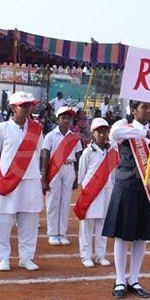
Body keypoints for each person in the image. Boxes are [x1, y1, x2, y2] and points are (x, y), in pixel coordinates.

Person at [103, 101, 150, 298]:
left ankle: (134, 279)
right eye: (144, 107)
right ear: (133, 110)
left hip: (146, 188)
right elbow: (115, 135)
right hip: (126, 186)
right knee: (123, 234)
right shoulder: (125, 128)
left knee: (141, 235)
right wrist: (145, 134)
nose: (148, 111)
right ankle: (120, 279)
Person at [0, 92, 44, 272]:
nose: (28, 108)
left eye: (30, 105)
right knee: (5, 220)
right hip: (9, 180)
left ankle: (26, 257)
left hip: (30, 180)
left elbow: (39, 152)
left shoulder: (36, 128)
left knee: (29, 221)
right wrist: (4, 175)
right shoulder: (3, 128)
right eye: (24, 105)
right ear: (13, 108)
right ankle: (4, 257)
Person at [75, 117, 115, 268]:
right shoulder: (87, 152)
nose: (102, 135)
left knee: (103, 223)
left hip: (106, 191)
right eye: (99, 132)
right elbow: (82, 174)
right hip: (91, 192)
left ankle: (100, 254)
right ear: (93, 133)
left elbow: (113, 172)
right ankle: (85, 255)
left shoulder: (112, 151)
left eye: (105, 131)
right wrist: (85, 191)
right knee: (87, 225)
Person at [42, 105, 82, 245]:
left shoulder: (74, 137)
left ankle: (62, 233)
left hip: (69, 168)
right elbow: (45, 157)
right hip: (54, 170)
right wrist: (44, 177)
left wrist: (77, 176)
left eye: (68, 118)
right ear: (57, 119)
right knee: (53, 202)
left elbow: (78, 157)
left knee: (65, 202)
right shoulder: (50, 136)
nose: (66, 120)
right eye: (63, 117)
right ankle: (52, 233)